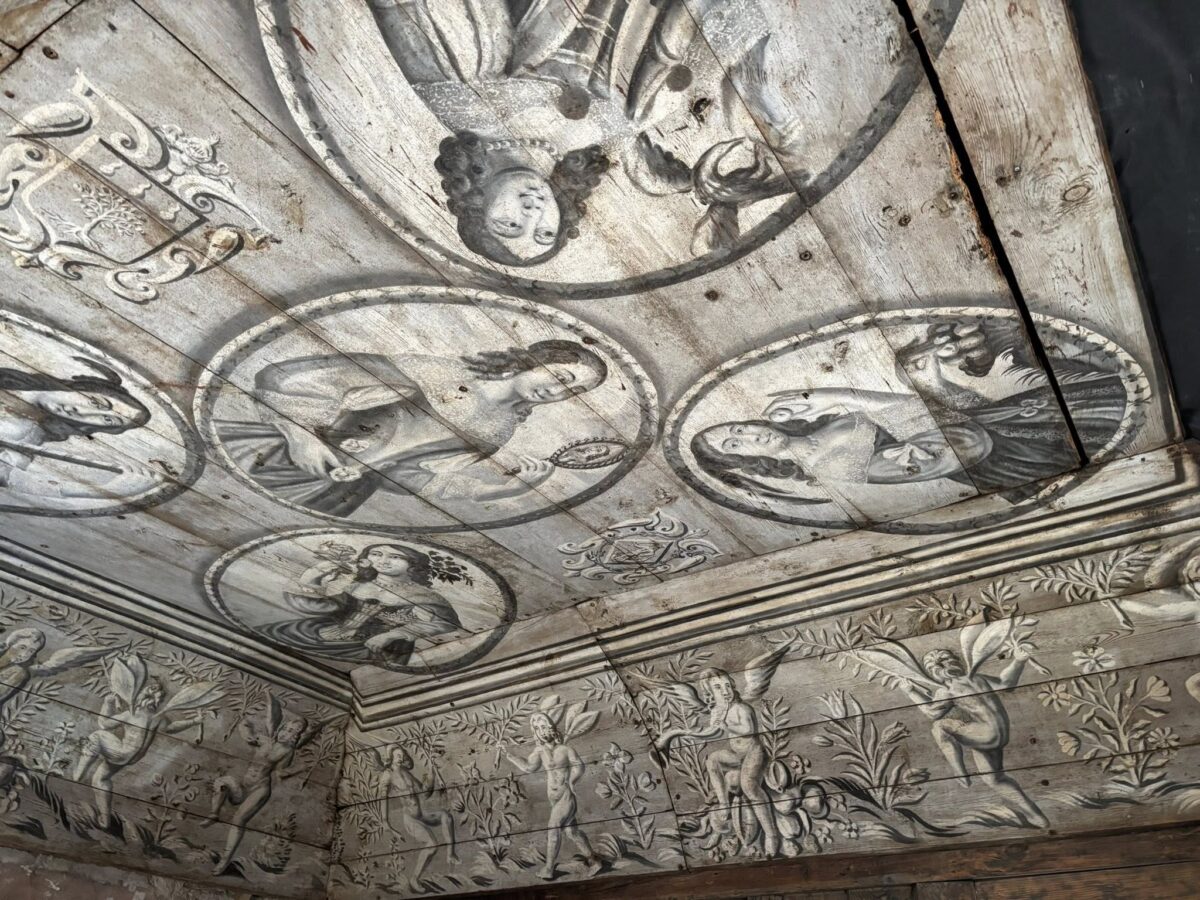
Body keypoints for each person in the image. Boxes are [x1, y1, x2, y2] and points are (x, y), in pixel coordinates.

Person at [369, 0, 804, 263]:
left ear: (474, 202)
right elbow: (633, 127)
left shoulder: (462, 101)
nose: (532, 212)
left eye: (509, 223)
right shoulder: (586, 145)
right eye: (544, 231)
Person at [691, 323, 1128, 503]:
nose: (748, 435)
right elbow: (963, 446)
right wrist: (848, 396)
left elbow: (959, 419)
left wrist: (933, 386)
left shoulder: (818, 430)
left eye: (737, 428)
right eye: (735, 445)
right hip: (1019, 454)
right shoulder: (834, 465)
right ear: (748, 460)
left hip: (1007, 424)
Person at [213, 340, 607, 517]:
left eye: (573, 391)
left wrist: (506, 489)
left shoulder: (501, 429)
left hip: (337, 494)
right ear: (534, 360)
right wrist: (300, 435)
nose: (558, 391)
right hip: (274, 453)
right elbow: (288, 376)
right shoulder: (439, 372)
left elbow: (407, 476)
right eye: (561, 376)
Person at [73, 656, 221, 828]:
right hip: (132, 758)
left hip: (122, 752)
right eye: (159, 700)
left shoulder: (132, 714)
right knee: (100, 779)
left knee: (97, 736)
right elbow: (172, 728)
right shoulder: (158, 719)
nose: (158, 702)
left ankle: (78, 774)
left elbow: (104, 723)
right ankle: (105, 819)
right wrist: (194, 721)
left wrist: (108, 703)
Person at [272, 543, 463, 666]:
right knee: (274, 635)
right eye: (376, 554)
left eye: (395, 557)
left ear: (412, 564)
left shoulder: (424, 596)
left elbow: (446, 625)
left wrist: (392, 635)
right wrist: (313, 579)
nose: (383, 561)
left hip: (377, 647)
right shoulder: (357, 585)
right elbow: (323, 607)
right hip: (324, 633)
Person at [0, 362, 161, 502]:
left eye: (107, 420)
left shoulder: (28, 433)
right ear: (87, 389)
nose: (85, 412)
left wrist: (98, 491)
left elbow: (7, 476)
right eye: (97, 403)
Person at [207, 700, 324, 874]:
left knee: (238, 820)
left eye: (292, 732)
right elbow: (247, 733)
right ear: (281, 727)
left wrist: (300, 769)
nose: (286, 733)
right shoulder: (265, 741)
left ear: (295, 737)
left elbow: (280, 773)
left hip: (260, 788)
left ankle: (225, 860)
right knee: (223, 782)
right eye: (286, 728)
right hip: (245, 784)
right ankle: (214, 813)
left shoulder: (287, 752)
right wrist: (244, 724)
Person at [504, 712, 601, 880]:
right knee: (572, 832)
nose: (541, 731)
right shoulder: (540, 751)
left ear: (551, 728)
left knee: (553, 827)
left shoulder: (565, 749)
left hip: (565, 796)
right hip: (553, 799)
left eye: (543, 727)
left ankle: (548, 869)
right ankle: (594, 861)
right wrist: (511, 757)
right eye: (537, 729)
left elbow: (579, 765)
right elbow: (529, 768)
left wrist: (571, 781)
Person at [377, 746, 458, 887]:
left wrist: (431, 772)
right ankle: (414, 879)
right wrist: (385, 821)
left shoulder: (406, 773)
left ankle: (450, 854)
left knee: (446, 816)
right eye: (397, 755)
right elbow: (382, 798)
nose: (400, 757)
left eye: (402, 754)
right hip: (411, 819)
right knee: (432, 844)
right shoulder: (388, 774)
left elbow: (424, 792)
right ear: (391, 757)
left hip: (421, 815)